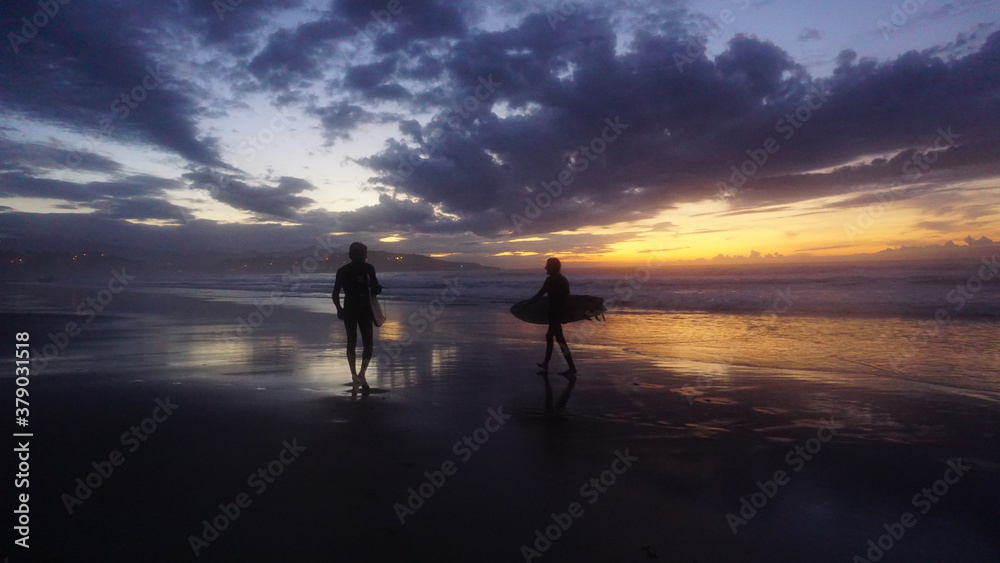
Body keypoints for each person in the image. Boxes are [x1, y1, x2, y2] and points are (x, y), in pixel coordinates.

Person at [332, 242, 382, 393]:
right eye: (365, 253)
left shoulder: (342, 270)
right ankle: (362, 374)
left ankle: (354, 375)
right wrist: (377, 289)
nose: (367, 256)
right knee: (368, 344)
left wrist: (339, 309)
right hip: (365, 309)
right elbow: (375, 288)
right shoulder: (368, 268)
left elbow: (335, 293)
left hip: (349, 309)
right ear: (362, 254)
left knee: (351, 342)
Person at [527, 257, 577, 378]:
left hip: (554, 313)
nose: (545, 267)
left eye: (547, 265)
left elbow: (539, 295)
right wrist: (568, 313)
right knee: (550, 336)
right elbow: (567, 299)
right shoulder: (563, 279)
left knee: (560, 340)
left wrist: (527, 304)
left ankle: (572, 368)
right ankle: (546, 363)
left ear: (552, 267)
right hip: (559, 313)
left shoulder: (551, 280)